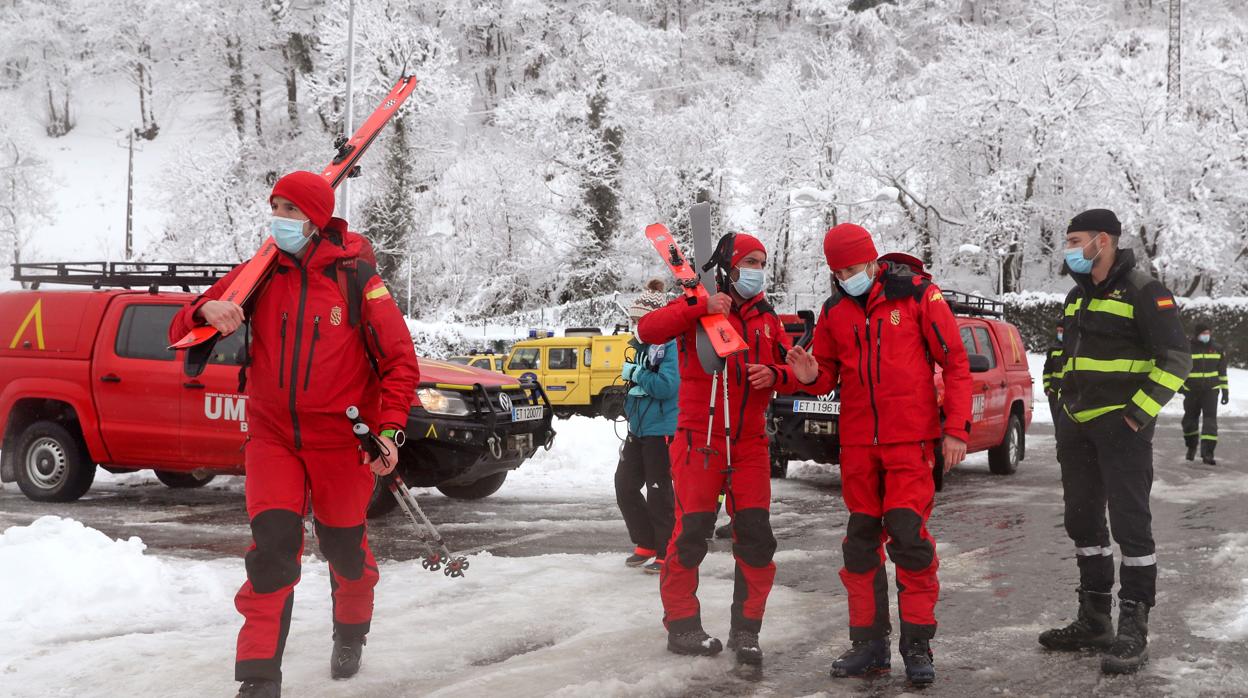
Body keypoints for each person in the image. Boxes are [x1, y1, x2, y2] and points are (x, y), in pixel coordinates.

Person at [168, 171, 420, 698]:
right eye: (274, 207)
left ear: (315, 219)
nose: (278, 218)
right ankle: (259, 678)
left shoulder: (358, 278)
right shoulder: (260, 272)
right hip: (272, 437)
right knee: (272, 552)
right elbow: (183, 328)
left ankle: (350, 632)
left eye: (288, 210)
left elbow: (400, 363)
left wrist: (391, 432)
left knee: (344, 549)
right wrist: (202, 308)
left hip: (341, 442)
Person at [777, 223, 971, 686]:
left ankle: (918, 645)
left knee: (908, 537)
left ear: (872, 260)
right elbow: (824, 375)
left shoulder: (919, 296)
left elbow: (957, 364)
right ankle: (870, 645)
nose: (846, 276)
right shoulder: (834, 311)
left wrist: (957, 430)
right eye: (837, 271)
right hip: (860, 446)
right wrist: (808, 375)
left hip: (911, 443)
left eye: (852, 267)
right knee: (861, 544)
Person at [1038, 209, 1190, 675]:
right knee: (1082, 522)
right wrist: (1058, 400)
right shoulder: (1074, 299)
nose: (1069, 249)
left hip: (1122, 430)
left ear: (1102, 241)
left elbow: (1176, 360)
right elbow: (1059, 357)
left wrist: (1135, 416)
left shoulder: (1145, 291)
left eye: (1074, 240)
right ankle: (1094, 619)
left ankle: (1133, 629)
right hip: (1076, 426)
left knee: (1131, 527)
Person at [637, 232, 791, 667]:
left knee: (757, 538)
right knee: (689, 537)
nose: (757, 270)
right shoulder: (699, 305)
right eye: (751, 261)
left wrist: (778, 374)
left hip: (750, 445)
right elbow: (647, 330)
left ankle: (747, 631)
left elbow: (791, 370)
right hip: (698, 440)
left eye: (763, 261)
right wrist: (699, 307)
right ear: (731, 266)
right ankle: (682, 626)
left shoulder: (767, 317)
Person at [616, 281, 680, 575]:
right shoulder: (639, 347)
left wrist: (638, 374)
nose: (634, 325)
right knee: (624, 485)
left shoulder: (670, 346)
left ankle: (668, 548)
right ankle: (646, 540)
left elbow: (667, 387)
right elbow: (639, 386)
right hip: (638, 428)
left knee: (659, 491)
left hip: (662, 428)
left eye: (638, 320)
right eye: (632, 320)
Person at [1180, 323, 1230, 465]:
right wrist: (1182, 388)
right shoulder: (1188, 349)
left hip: (1211, 391)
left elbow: (1222, 372)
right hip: (1191, 391)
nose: (1206, 335)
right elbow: (1180, 369)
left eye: (1208, 332)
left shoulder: (1217, 349)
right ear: (1197, 334)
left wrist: (1225, 391)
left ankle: (1208, 454)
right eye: (1204, 332)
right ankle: (1191, 446)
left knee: (1210, 422)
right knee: (1189, 422)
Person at [1042, 318, 1066, 425]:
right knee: (1057, 424)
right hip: (1054, 393)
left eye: (1062, 331)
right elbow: (1047, 370)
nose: (1059, 333)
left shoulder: (1073, 348)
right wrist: (1047, 388)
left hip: (1068, 393)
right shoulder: (1053, 349)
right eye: (1058, 331)